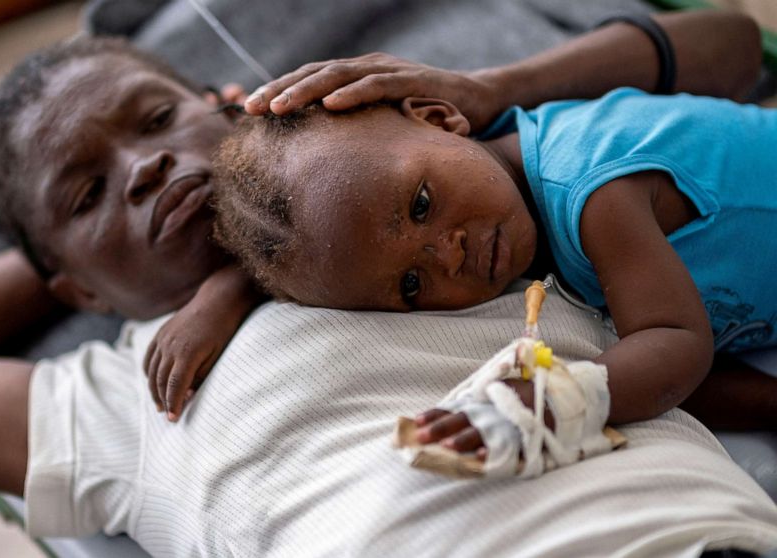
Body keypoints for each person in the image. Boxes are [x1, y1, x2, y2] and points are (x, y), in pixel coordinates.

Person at [0, 10, 776, 555]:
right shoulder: (130, 398)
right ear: (77, 291)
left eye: (151, 123)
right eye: (89, 191)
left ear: (233, 104)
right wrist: (130, 268)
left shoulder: (470, 212)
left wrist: (493, 93)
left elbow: (726, 51)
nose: (140, 170)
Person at [213, 15, 777, 455]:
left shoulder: (590, 187)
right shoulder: (523, 226)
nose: (447, 255)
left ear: (441, 117)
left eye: (421, 205)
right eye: (411, 283)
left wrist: (548, 404)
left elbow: (677, 349)